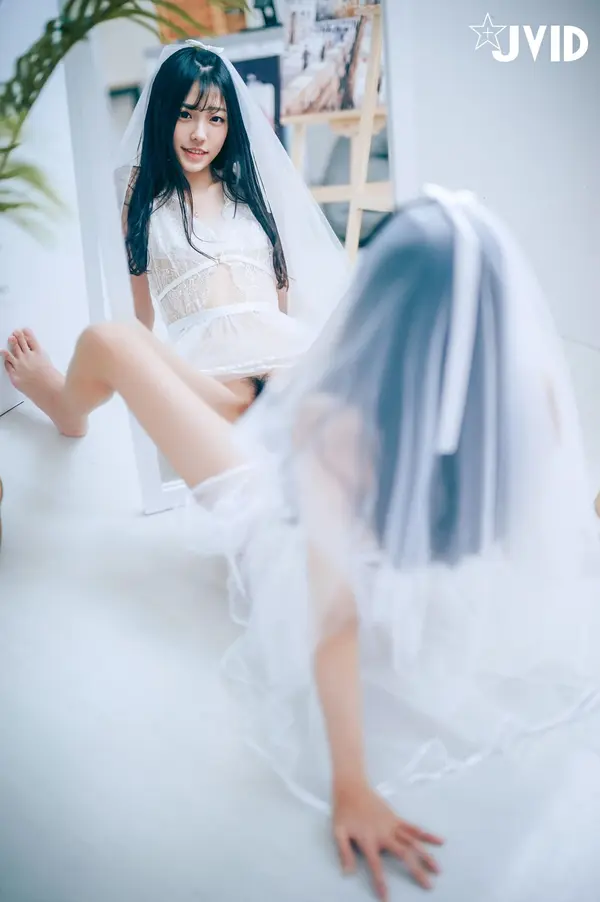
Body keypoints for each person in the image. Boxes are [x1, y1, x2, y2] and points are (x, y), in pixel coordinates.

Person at [4, 187, 600, 900]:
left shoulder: (340, 428)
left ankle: (66, 406)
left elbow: (332, 616)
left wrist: (353, 786)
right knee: (260, 393)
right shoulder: (534, 397)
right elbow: (558, 522)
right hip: (346, 498)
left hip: (272, 525)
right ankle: (238, 393)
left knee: (111, 340)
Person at [116, 41, 349, 409]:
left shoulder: (251, 197)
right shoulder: (143, 205)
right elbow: (138, 317)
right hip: (206, 376)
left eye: (216, 119)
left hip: (284, 362)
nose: (199, 134)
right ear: (162, 115)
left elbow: (280, 300)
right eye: (185, 114)